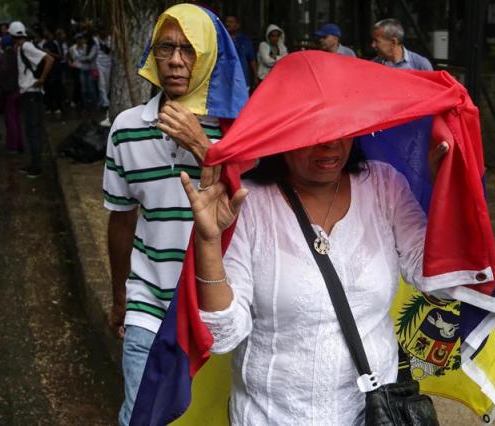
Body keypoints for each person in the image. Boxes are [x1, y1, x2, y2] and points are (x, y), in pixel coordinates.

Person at [168, 68, 450, 424]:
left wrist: (447, 192)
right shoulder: (248, 204)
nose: (330, 143)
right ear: (280, 132)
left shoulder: (383, 186)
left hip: (372, 415)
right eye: (312, 130)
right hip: (271, 416)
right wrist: (209, 242)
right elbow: (224, 336)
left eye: (340, 126)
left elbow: (436, 277)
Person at [102, 4, 246, 425]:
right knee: (142, 416)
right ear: (153, 55)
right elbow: (123, 219)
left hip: (219, 311)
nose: (177, 60)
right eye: (166, 47)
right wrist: (119, 298)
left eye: (190, 49)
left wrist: (206, 147)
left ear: (210, 57)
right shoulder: (126, 127)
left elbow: (251, 208)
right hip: (149, 305)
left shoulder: (237, 130)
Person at [9, 20, 54, 177]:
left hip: (32, 94)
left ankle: (37, 167)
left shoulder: (27, 46)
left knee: (33, 131)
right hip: (28, 94)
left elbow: (49, 59)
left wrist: (42, 79)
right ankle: (34, 164)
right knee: (30, 130)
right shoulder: (22, 47)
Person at [0, 34, 24, 153]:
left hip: (8, 93)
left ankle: (13, 146)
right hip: (18, 90)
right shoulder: (17, 55)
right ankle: (19, 144)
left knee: (11, 119)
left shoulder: (3, 57)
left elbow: (1, 75)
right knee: (17, 118)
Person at [224, 15, 257, 91]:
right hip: (225, 79)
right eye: (226, 22)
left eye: (231, 22)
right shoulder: (222, 39)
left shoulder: (245, 40)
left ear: (237, 25)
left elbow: (252, 59)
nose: (228, 24)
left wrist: (255, 75)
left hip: (243, 78)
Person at [93, 26, 112, 111]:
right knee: (101, 84)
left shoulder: (110, 39)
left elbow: (112, 50)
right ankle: (105, 103)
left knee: (107, 84)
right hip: (99, 64)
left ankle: (103, 100)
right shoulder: (95, 40)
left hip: (108, 64)